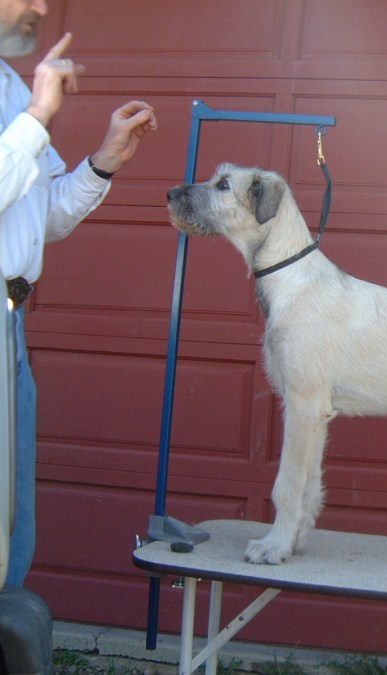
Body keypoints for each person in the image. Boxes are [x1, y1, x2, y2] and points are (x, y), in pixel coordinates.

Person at [1, 0, 157, 586]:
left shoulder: (11, 87)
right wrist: (39, 114)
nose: (41, 7)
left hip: (9, 325)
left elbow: (43, 220)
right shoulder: (29, 101)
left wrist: (104, 161)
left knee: (9, 516)